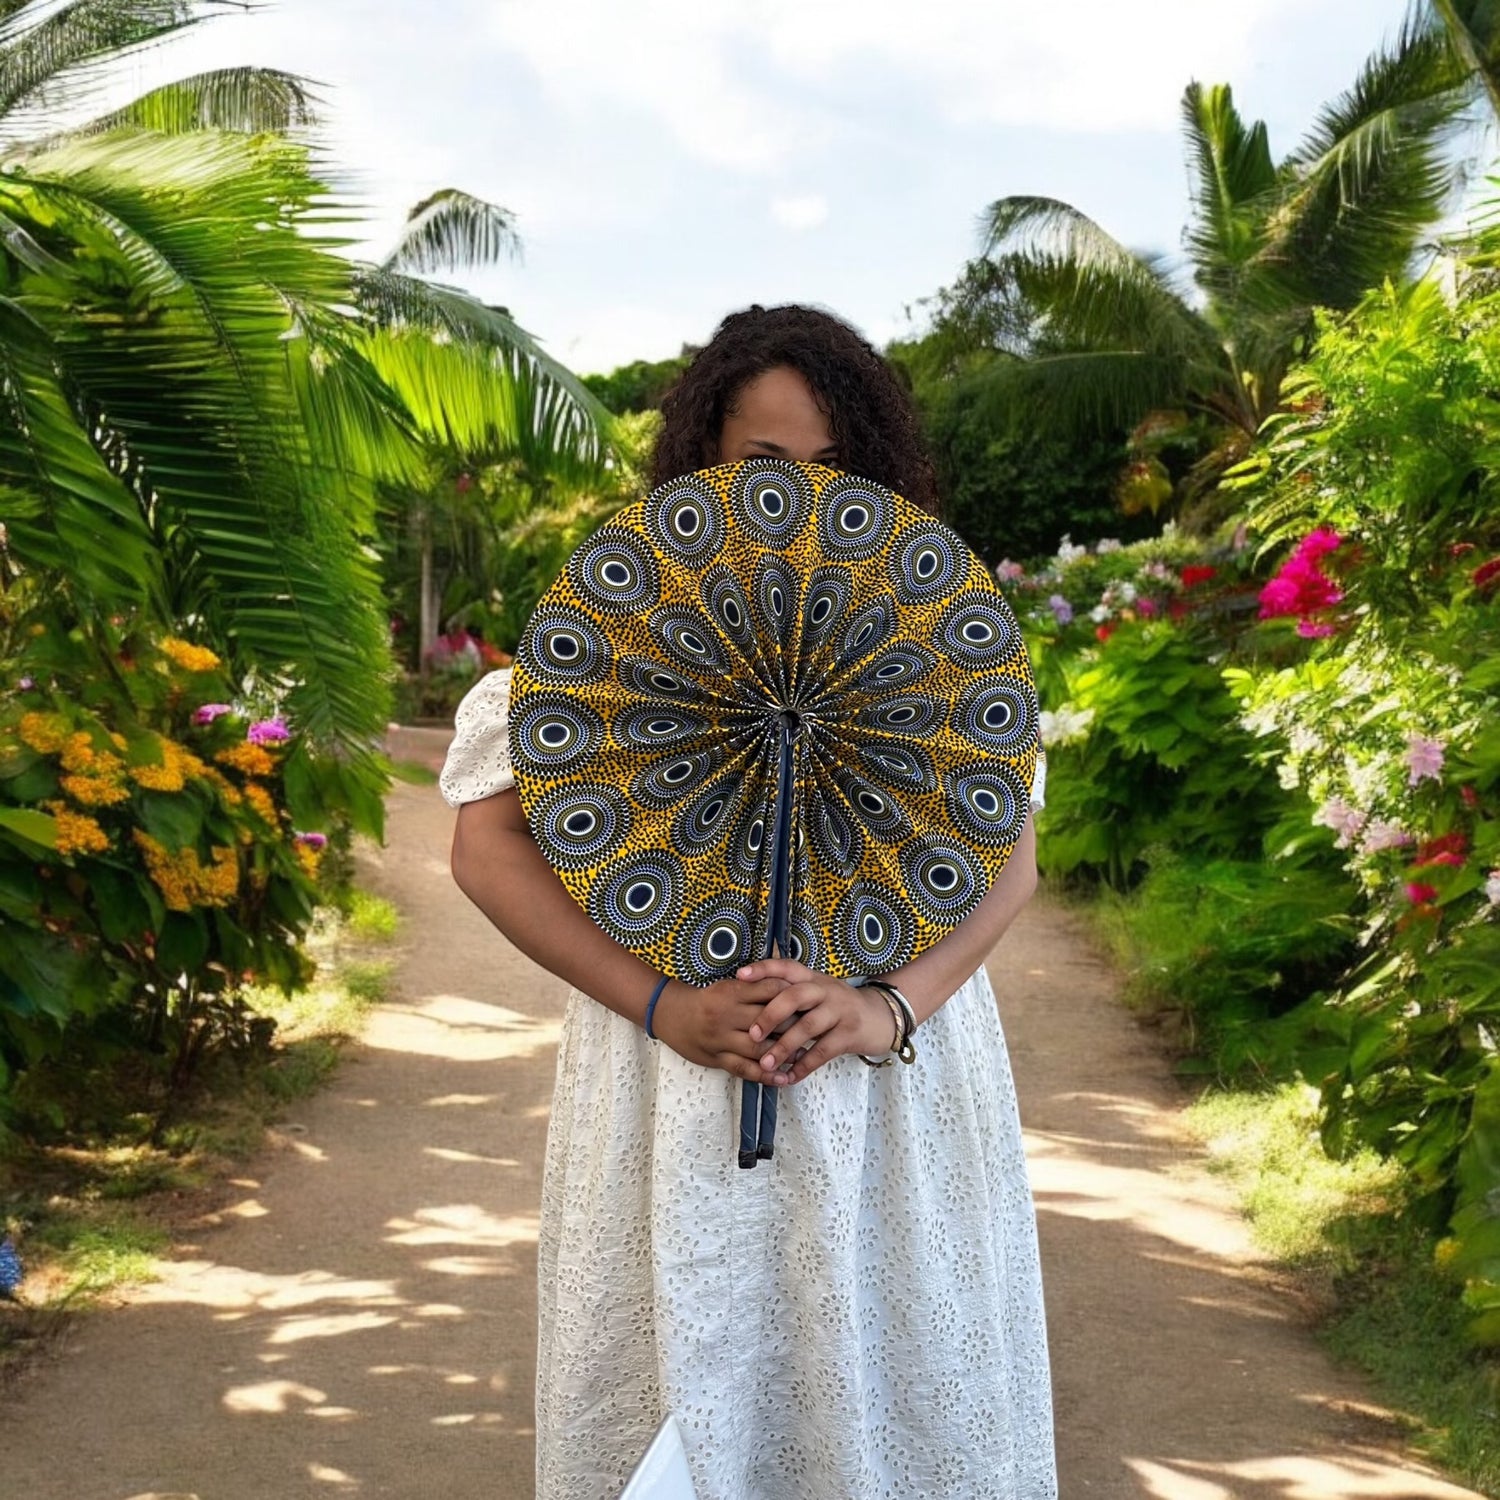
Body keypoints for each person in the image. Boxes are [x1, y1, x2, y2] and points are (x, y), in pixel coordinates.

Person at [441, 304, 1056, 1500]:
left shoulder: (934, 641)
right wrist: (663, 1006)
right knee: (685, 1395)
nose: (795, 500)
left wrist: (889, 1011)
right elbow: (487, 845)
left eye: (832, 470)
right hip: (671, 1081)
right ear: (704, 464)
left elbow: (1009, 858)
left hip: (889, 1099)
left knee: (892, 1393)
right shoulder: (623, 638)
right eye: (762, 467)